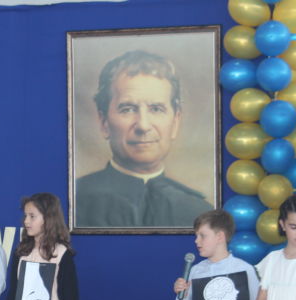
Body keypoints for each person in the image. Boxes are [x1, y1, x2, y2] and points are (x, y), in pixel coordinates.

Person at [75, 50, 213, 228]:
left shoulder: (200, 212)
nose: (143, 125)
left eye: (156, 109)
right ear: (104, 123)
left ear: (175, 121)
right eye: (127, 109)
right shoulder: (72, 203)